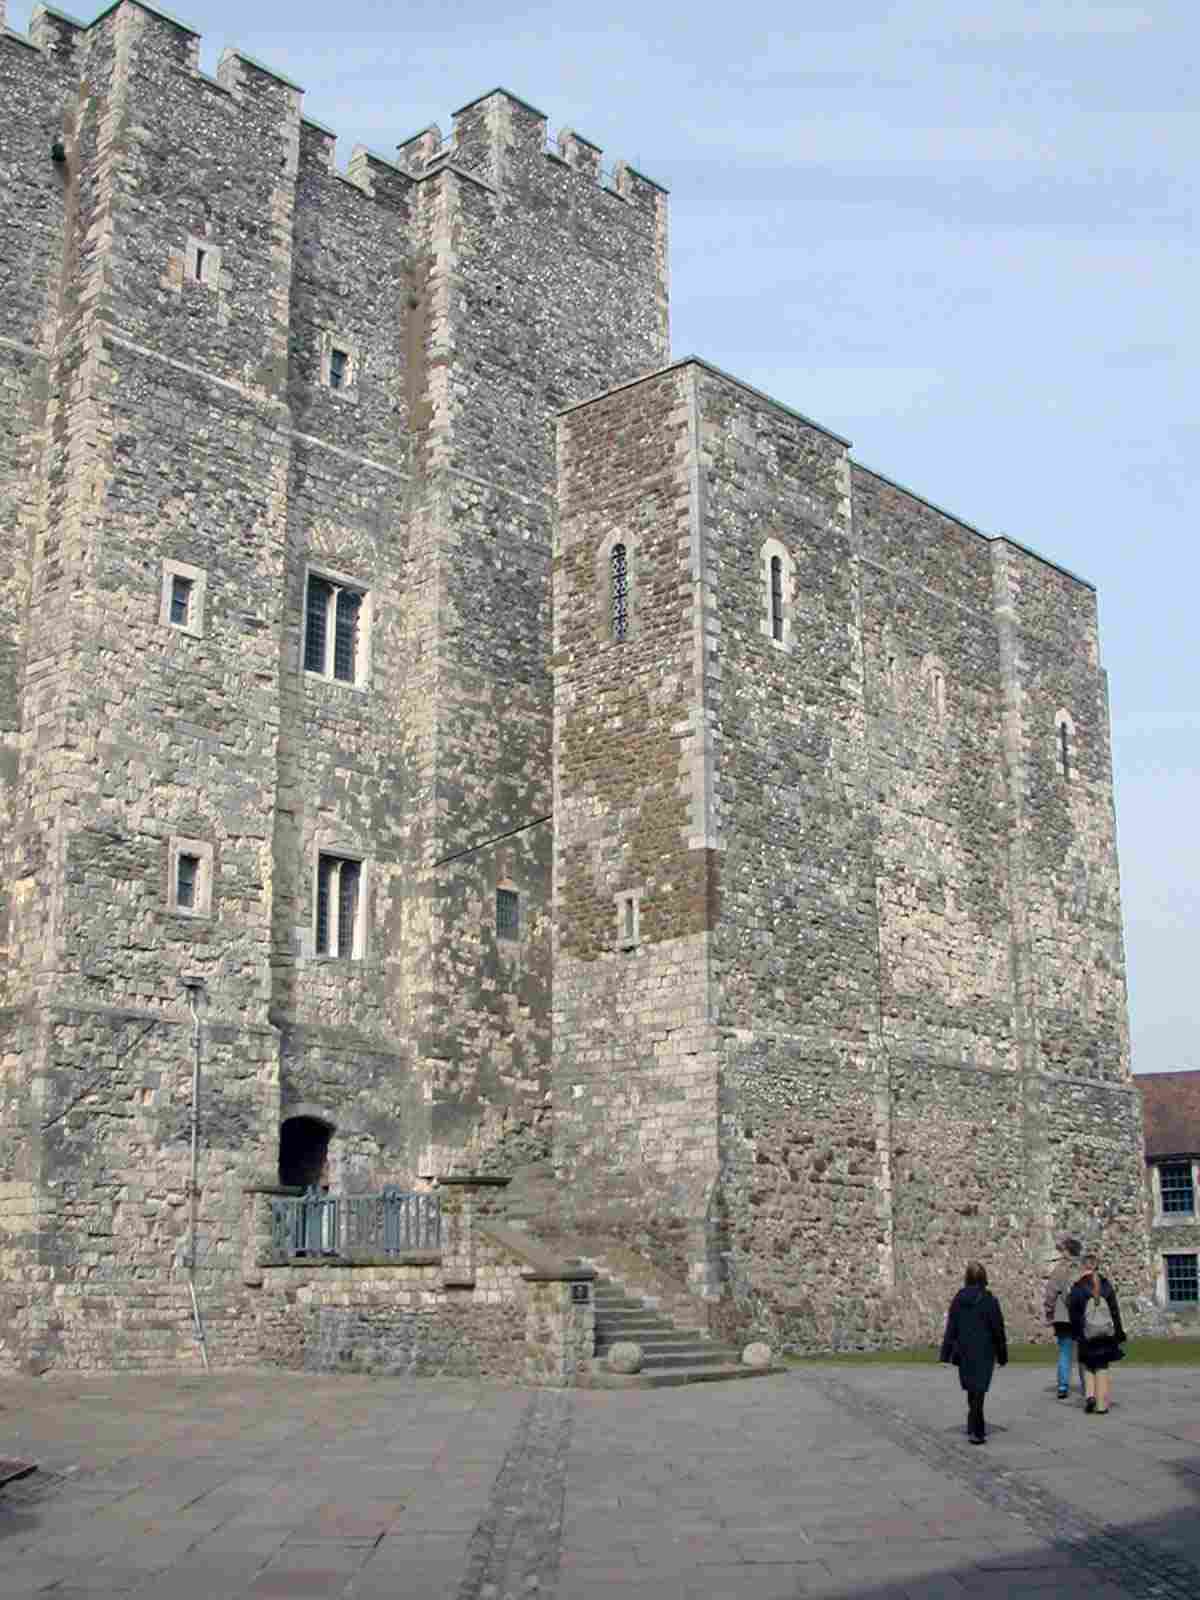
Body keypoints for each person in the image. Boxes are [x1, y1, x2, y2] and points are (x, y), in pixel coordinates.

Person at [940, 1261, 1008, 1444]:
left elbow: (951, 1328)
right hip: (984, 1350)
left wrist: (945, 1354)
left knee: (973, 1389)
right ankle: (977, 1429)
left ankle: (974, 1423)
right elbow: (998, 1330)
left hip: (964, 1350)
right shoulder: (989, 1300)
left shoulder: (958, 1299)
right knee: (979, 1389)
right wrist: (1002, 1354)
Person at [1069, 1248, 1126, 1414]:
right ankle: (1102, 1405)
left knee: (1088, 1365)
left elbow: (1074, 1312)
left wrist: (1076, 1332)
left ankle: (1090, 1395)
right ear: (1097, 1266)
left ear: (1083, 1267)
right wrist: (1119, 1331)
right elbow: (1114, 1310)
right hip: (1105, 1333)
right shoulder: (1106, 1285)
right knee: (1102, 1366)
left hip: (1086, 1333)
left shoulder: (1078, 1288)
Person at [1043, 1234, 1083, 1399]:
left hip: (1063, 1317)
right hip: (1080, 1317)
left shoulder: (1059, 1269)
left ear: (1067, 1251)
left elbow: (1051, 1293)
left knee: (1065, 1352)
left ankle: (1062, 1386)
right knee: (1082, 1352)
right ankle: (1087, 1385)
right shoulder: (1083, 1269)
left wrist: (1049, 1310)